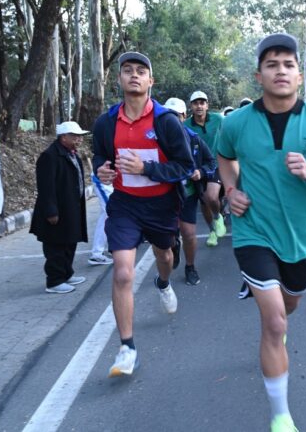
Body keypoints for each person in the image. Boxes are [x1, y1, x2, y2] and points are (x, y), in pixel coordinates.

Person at [216, 33, 306, 432]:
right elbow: (224, 156)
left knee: (289, 308)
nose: (281, 71)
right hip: (253, 232)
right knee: (274, 322)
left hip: (303, 239)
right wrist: (231, 191)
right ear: (259, 76)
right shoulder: (236, 122)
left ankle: (275, 316)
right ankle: (280, 415)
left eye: (288, 64)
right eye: (272, 64)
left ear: (299, 75)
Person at [92, 52, 195, 377]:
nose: (134, 75)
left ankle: (163, 282)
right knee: (123, 273)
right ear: (119, 79)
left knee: (166, 256)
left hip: (161, 206)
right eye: (127, 70)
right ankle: (127, 348)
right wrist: (102, 169)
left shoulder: (166, 122)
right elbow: (99, 156)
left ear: (151, 80)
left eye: (141, 71)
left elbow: (185, 166)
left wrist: (146, 168)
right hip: (125, 205)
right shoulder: (106, 122)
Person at [30, 121, 89, 294]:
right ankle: (54, 281)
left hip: (71, 207)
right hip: (57, 209)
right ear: (64, 137)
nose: (79, 139)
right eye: (75, 136)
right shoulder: (50, 156)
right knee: (56, 245)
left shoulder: (72, 154)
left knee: (70, 241)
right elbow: (46, 187)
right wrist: (51, 210)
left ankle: (66, 273)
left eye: (80, 136)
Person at [168, 97, 217, 285]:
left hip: (187, 194)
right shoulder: (154, 138)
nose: (171, 120)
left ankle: (190, 267)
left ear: (183, 117)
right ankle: (174, 244)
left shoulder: (194, 139)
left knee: (188, 234)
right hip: (162, 195)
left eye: (176, 116)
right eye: (168, 116)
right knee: (167, 236)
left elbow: (211, 162)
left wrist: (200, 172)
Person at [185, 91, 227, 247]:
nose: (199, 106)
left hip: (216, 164)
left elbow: (229, 134)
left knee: (212, 197)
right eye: (196, 103)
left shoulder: (218, 119)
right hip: (197, 168)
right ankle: (212, 231)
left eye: (202, 103)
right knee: (204, 202)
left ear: (207, 105)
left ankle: (218, 217)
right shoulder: (186, 125)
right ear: (191, 106)